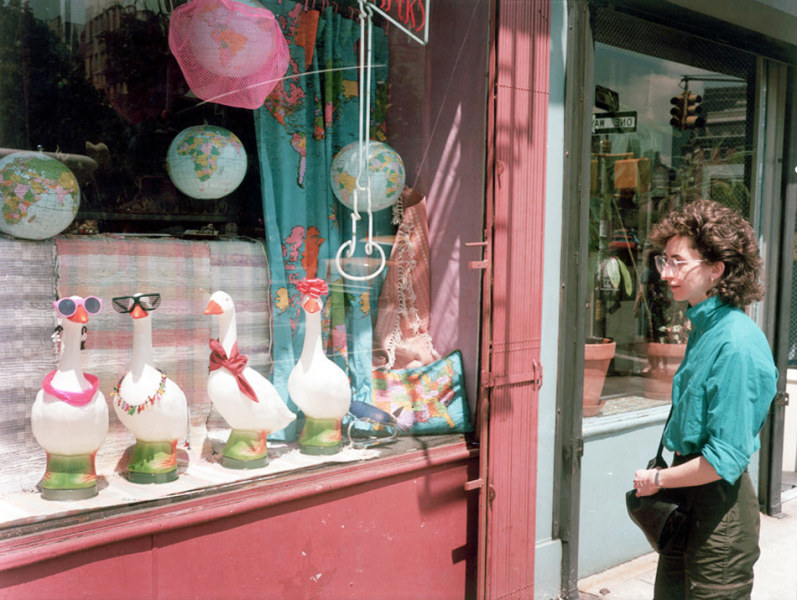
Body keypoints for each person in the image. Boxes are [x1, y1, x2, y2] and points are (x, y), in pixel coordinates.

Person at [632, 199, 778, 600]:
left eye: (679, 263)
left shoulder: (736, 343)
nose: (666, 274)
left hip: (719, 522)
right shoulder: (703, 328)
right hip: (687, 506)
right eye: (665, 261)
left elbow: (724, 459)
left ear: (717, 270)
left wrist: (657, 478)